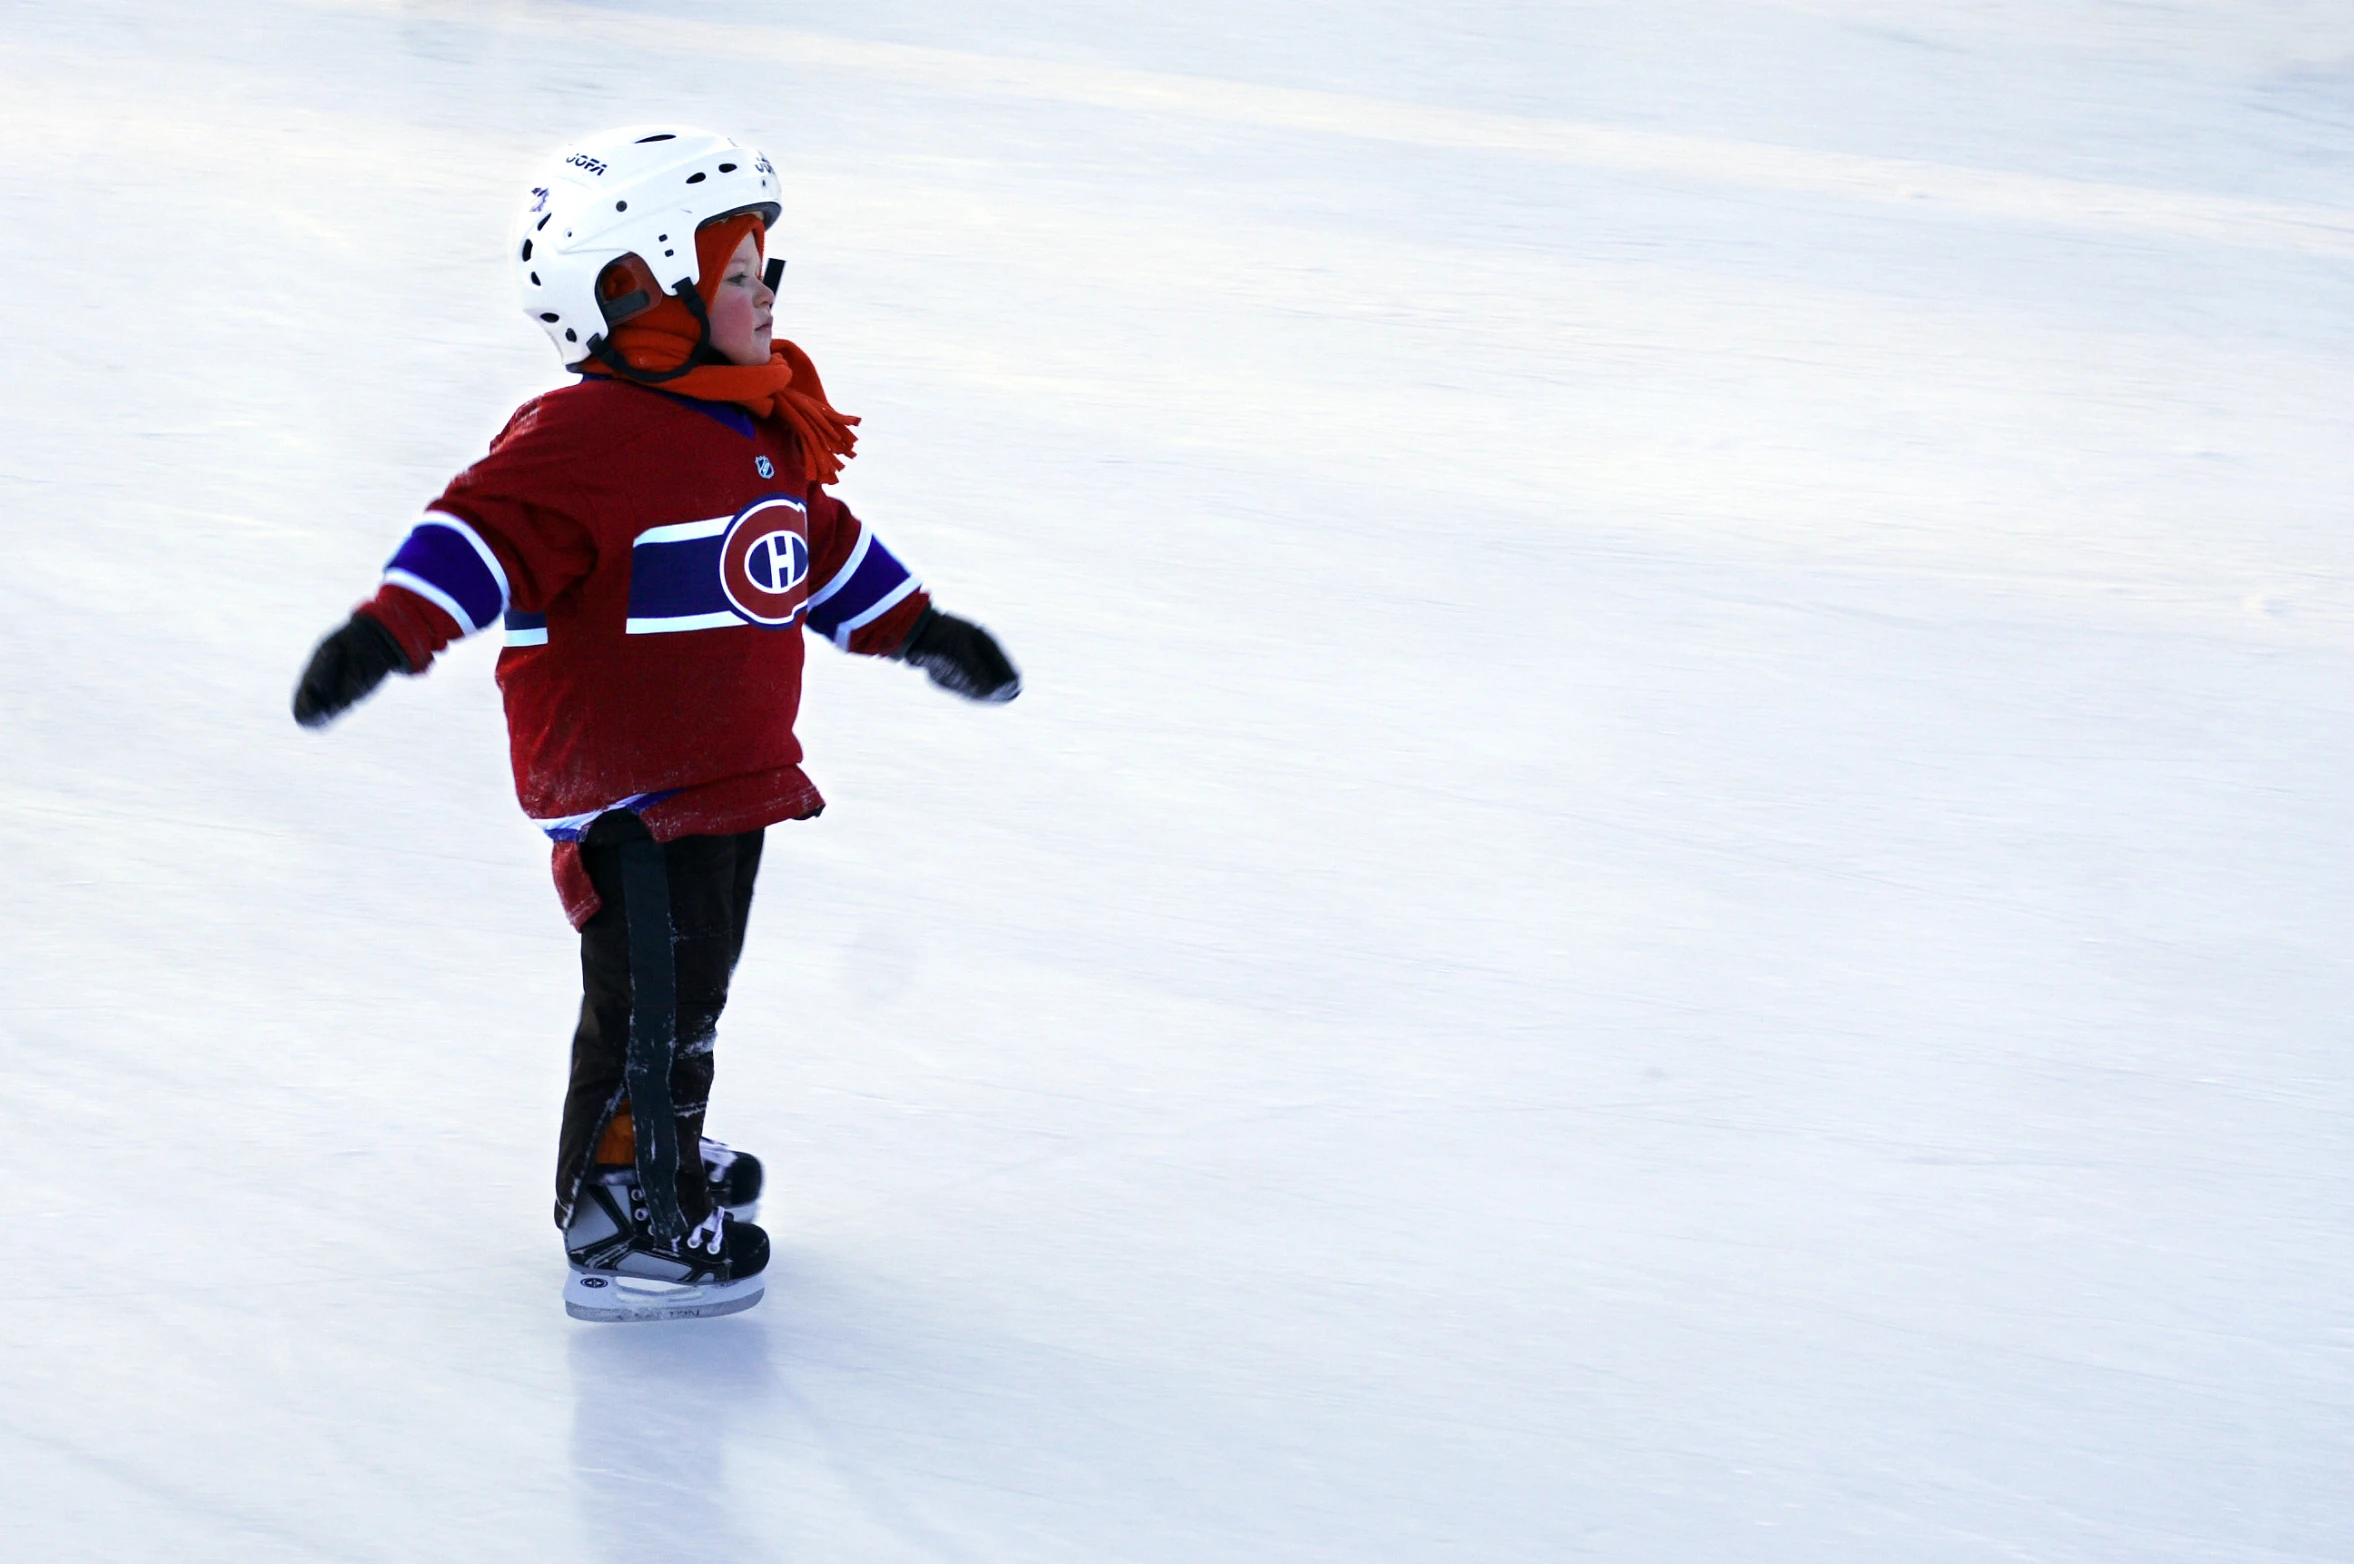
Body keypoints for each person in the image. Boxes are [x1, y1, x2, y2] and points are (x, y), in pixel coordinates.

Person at [290, 126, 1019, 1322]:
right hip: (632, 789)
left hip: (729, 773)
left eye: (767, 272)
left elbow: (815, 553)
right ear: (638, 291)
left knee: (690, 992)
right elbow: (479, 535)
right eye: (739, 275)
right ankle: (618, 1211)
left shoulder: (746, 430)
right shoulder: (583, 442)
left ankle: (660, 1150)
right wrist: (386, 633)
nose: (767, 294)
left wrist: (925, 631)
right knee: (648, 999)